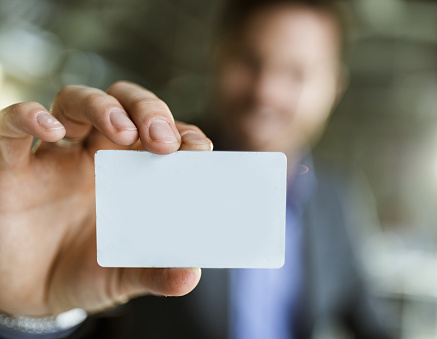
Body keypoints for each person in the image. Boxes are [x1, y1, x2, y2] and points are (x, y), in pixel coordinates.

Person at [0, 0, 394, 338]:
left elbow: (370, 321)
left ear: (333, 88)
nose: (266, 91)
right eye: (250, 60)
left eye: (297, 73)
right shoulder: (139, 165)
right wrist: (27, 308)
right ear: (219, 56)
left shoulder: (337, 197)